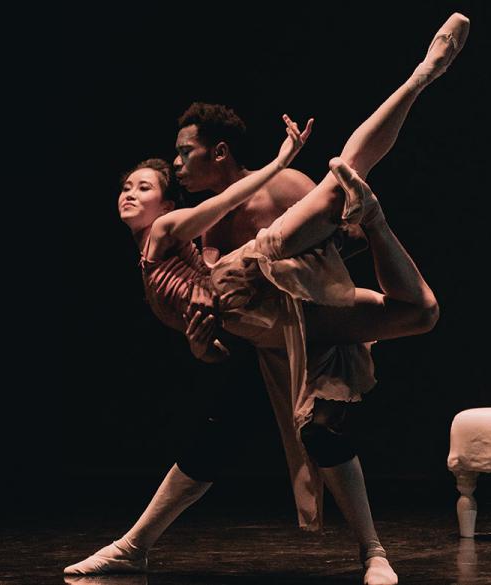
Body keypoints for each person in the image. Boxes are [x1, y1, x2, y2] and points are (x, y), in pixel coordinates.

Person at [65, 13, 469, 585]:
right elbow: (208, 314)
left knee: (388, 263)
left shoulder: (263, 195)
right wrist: (202, 341)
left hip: (292, 301)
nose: (176, 170)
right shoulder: (194, 229)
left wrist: (298, 181)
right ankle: (135, 545)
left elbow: (325, 255)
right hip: (258, 326)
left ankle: (422, 76)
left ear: (220, 153)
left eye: (180, 159)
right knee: (225, 435)